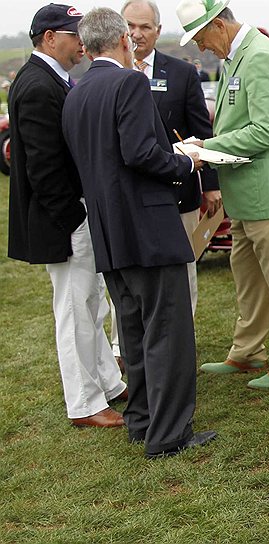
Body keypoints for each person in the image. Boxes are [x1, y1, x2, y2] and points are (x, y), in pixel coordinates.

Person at [62, 7, 215, 458]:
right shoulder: (129, 82)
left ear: (88, 47)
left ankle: (142, 420)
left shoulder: (76, 91)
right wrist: (188, 161)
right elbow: (140, 153)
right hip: (148, 227)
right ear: (125, 41)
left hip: (109, 230)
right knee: (167, 330)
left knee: (133, 331)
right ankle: (169, 435)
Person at [177, 0, 269, 390]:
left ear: (219, 25)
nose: (203, 49)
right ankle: (248, 350)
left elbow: (265, 131)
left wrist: (206, 147)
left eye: (202, 39)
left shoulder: (261, 56)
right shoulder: (237, 57)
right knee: (249, 280)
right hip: (246, 196)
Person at [7, 3, 127, 429]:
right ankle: (85, 404)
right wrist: (74, 216)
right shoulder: (38, 86)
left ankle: (109, 385)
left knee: (92, 306)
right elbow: (44, 168)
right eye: (73, 34)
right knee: (76, 311)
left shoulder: (52, 79)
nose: (81, 42)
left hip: (73, 217)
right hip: (64, 222)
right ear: (49, 38)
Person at [122, 0, 220, 320]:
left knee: (183, 271)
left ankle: (183, 341)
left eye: (145, 27)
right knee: (129, 275)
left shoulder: (181, 74)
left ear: (158, 31)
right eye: (130, 26)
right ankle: (125, 346)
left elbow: (201, 130)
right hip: (128, 196)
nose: (137, 34)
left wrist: (211, 185)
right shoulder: (109, 75)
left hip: (179, 192)